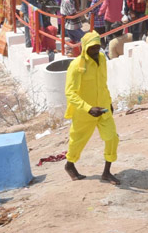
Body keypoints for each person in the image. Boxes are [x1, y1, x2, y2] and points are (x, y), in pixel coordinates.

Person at [64, 30, 120, 185]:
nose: (96, 51)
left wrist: (108, 102)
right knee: (77, 141)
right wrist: (88, 108)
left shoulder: (102, 59)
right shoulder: (76, 66)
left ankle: (107, 173)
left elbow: (103, 84)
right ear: (85, 47)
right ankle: (69, 164)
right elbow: (70, 93)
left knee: (112, 138)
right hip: (84, 112)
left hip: (103, 108)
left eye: (97, 47)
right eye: (92, 48)